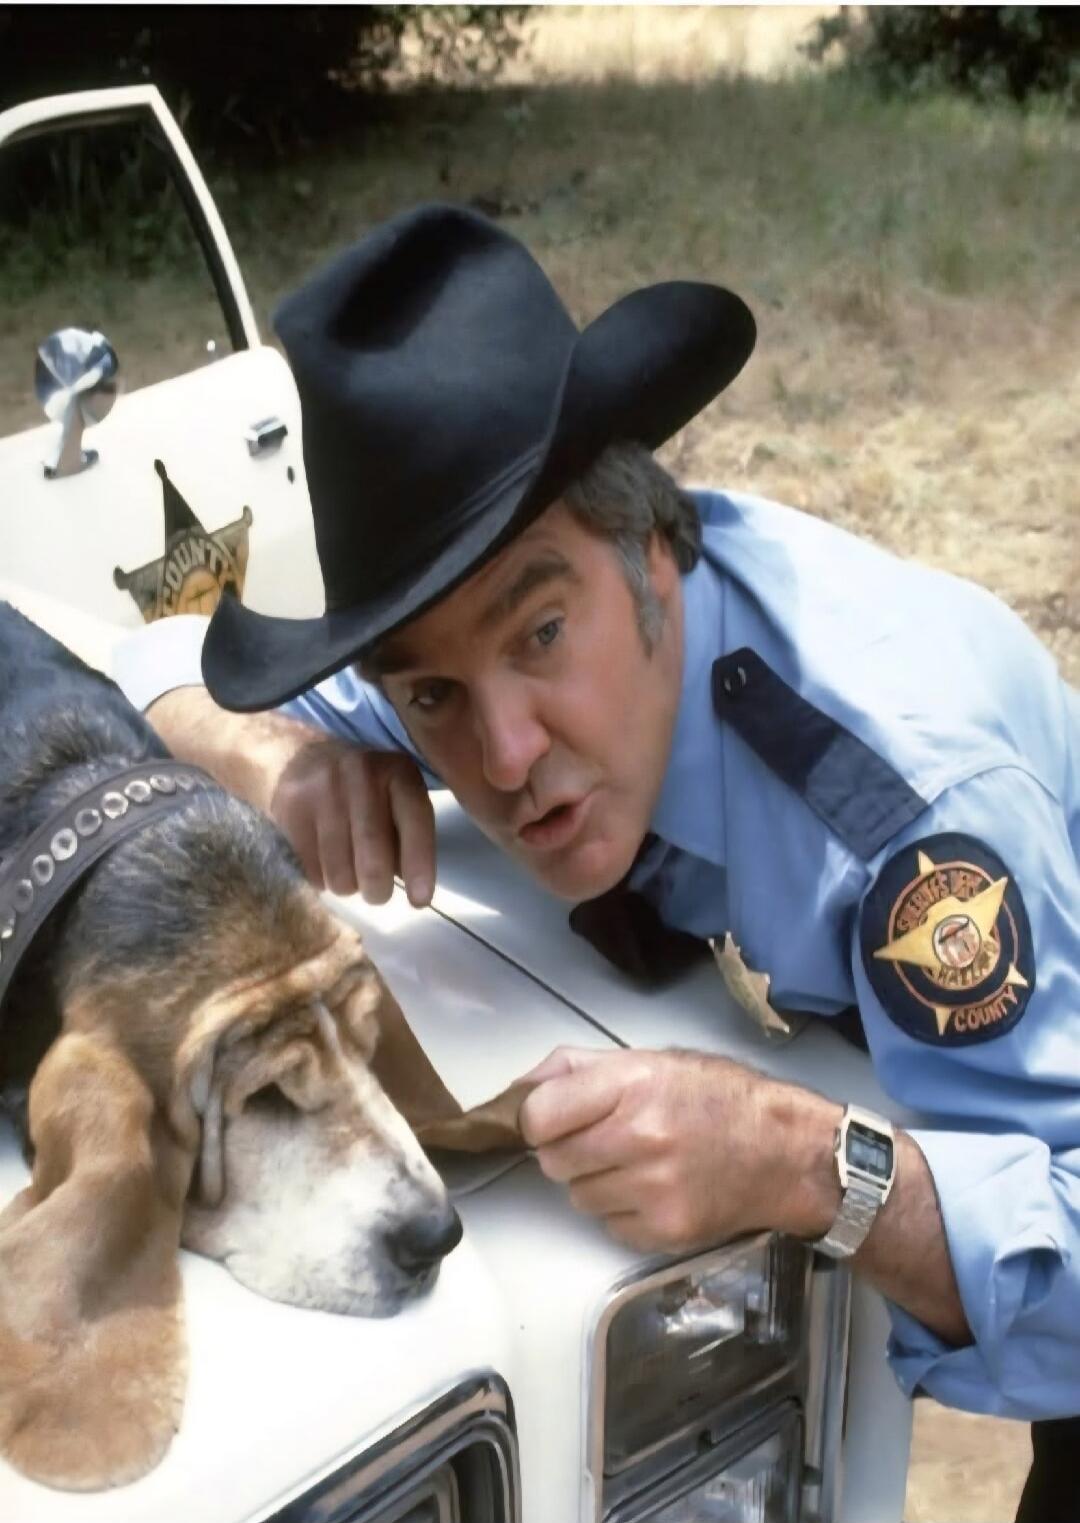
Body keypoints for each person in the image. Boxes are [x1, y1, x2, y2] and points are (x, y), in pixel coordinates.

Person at [114, 204, 1079, 1513]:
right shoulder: (475, 661)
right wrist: (279, 761)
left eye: (543, 633)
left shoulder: (909, 812)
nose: (504, 755)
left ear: (654, 556)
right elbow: (156, 663)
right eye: (431, 696)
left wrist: (798, 1162)